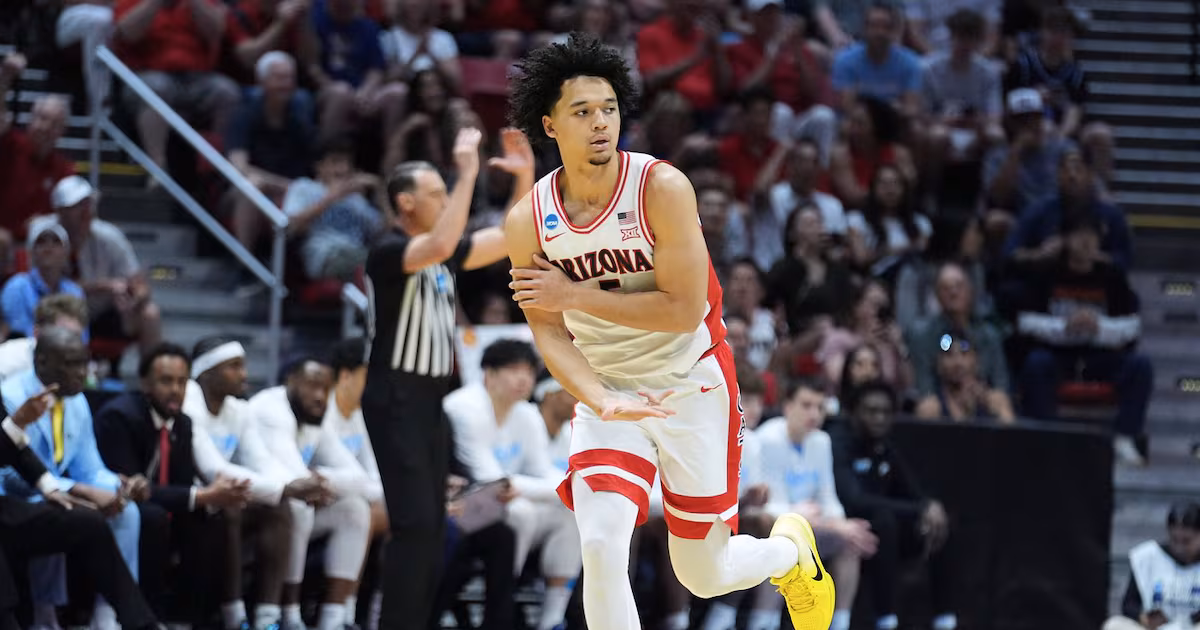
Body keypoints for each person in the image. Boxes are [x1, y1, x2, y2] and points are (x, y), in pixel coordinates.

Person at [503, 33, 834, 630]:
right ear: (550, 125)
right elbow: (550, 335)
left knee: (702, 574)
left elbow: (683, 309)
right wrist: (602, 398)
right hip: (605, 389)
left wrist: (573, 294)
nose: (601, 123)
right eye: (582, 112)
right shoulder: (529, 220)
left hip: (690, 381)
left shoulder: (661, 187)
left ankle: (790, 554)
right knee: (601, 545)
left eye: (609, 109)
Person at [360, 123, 522, 629]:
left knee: (434, 528)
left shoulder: (443, 255)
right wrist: (468, 170)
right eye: (434, 193)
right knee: (414, 526)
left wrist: (525, 175)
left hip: (433, 400)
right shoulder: (390, 251)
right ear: (405, 203)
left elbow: (514, 237)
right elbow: (444, 239)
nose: (443, 199)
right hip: (395, 394)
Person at [94, 343, 252, 626]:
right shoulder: (119, 417)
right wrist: (202, 495)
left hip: (159, 507)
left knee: (208, 519)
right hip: (116, 506)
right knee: (154, 519)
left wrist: (208, 498)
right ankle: (148, 616)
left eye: (181, 382)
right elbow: (129, 487)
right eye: (166, 381)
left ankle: (184, 619)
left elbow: (179, 484)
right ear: (145, 383)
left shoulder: (182, 424)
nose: (175, 390)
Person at [0, 327, 141, 630]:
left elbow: (87, 467)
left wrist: (119, 485)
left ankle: (124, 619)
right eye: (71, 363)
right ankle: (41, 614)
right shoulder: (11, 395)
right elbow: (8, 470)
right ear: (42, 362)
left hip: (34, 495)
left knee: (112, 512)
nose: (82, 372)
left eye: (84, 362)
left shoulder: (75, 400)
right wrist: (77, 489)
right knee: (64, 505)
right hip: (11, 497)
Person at [184, 338, 325, 630]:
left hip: (222, 495)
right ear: (207, 372)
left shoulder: (240, 409)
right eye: (234, 367)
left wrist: (294, 485)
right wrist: (286, 487)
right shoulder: (189, 400)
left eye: (244, 366)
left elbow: (261, 461)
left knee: (278, 507)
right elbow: (212, 468)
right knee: (234, 503)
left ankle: (267, 616)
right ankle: (234, 616)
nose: (245, 375)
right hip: (190, 496)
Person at [443, 340, 582, 630]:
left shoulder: (526, 413)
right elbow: (491, 482)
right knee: (521, 511)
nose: (524, 379)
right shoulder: (465, 408)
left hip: (510, 505)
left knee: (570, 511)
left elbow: (543, 473)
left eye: (529, 372)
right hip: (463, 508)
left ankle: (552, 620)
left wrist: (560, 488)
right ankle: (501, 601)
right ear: (489, 374)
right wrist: (529, 487)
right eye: (514, 370)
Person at [248, 358, 372, 630]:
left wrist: (321, 479)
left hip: (289, 513)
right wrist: (313, 482)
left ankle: (335, 619)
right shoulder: (272, 411)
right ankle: (288, 615)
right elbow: (295, 482)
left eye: (325, 389)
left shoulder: (314, 416)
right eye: (312, 386)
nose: (320, 396)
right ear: (291, 381)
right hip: (253, 511)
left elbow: (359, 478)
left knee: (355, 508)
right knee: (299, 505)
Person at [830, 380, 956, 630]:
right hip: (846, 527)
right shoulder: (839, 443)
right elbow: (854, 500)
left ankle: (945, 619)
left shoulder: (885, 448)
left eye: (886, 412)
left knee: (938, 524)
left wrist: (928, 507)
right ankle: (885, 619)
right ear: (855, 412)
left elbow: (913, 494)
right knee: (884, 521)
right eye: (872, 411)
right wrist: (918, 509)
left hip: (885, 532)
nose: (879, 418)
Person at [755, 379, 879, 630]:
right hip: (773, 528)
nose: (814, 413)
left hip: (811, 527)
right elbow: (775, 509)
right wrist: (831, 524)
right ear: (788, 406)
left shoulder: (821, 441)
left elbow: (829, 499)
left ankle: (839, 623)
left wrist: (843, 526)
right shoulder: (768, 439)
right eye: (806, 405)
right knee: (783, 542)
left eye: (820, 407)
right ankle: (761, 622)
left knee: (850, 543)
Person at [1104, 503, 1200, 630]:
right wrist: (1143, 617)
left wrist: (1189, 620)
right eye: (1174, 539)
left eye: (1186, 541)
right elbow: (1128, 605)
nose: (1180, 547)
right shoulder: (1148, 558)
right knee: (1114, 625)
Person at [0, 295, 87, 381]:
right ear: (37, 334)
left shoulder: (75, 371)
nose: (71, 345)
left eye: (76, 337)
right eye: (63, 336)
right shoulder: (7, 360)